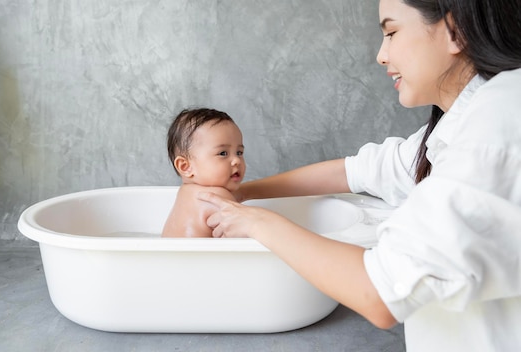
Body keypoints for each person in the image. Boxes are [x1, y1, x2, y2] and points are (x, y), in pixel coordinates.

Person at [198, 0, 521, 350]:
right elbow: (363, 170)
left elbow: (380, 292)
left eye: (392, 32)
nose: (382, 55)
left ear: (454, 30)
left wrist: (256, 223)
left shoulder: (497, 126)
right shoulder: (468, 116)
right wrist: (241, 193)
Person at [162, 108, 246, 238]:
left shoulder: (184, 194)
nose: (236, 161)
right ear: (186, 167)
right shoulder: (217, 197)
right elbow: (244, 242)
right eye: (223, 153)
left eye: (239, 153)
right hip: (200, 259)